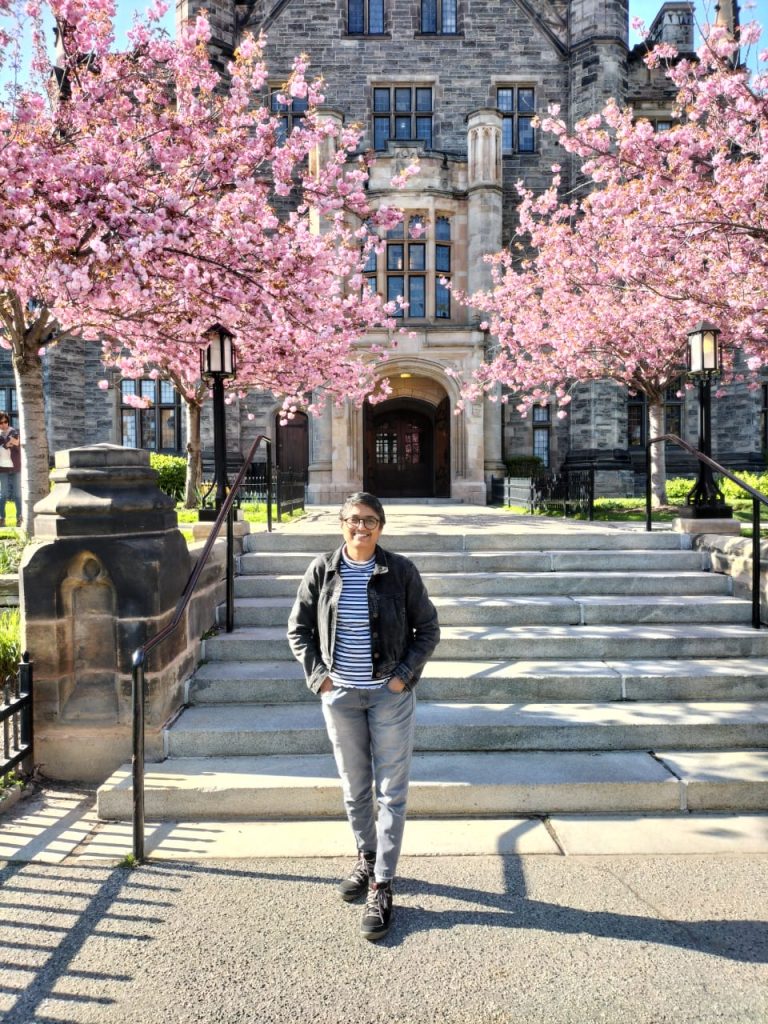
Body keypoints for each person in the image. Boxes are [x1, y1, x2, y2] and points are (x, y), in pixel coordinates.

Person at [287, 492, 440, 941]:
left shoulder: (400, 571)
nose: (361, 527)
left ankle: (382, 884)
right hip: (340, 696)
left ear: (381, 526)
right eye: (354, 520)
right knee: (356, 790)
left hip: (389, 696)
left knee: (391, 791)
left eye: (370, 520)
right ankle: (366, 857)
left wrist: (402, 677)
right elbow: (299, 628)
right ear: (341, 523)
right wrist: (320, 678)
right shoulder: (322, 569)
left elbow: (427, 629)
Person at [0, 412, 21, 530]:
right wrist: (6, 444)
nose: (3, 425)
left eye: (5, 422)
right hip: (2, 468)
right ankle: (2, 518)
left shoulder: (14, 432)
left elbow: (17, 445)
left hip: (15, 466)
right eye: (1, 423)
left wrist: (11, 443)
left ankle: (19, 518)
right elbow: (6, 445)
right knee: (3, 495)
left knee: (17, 495)